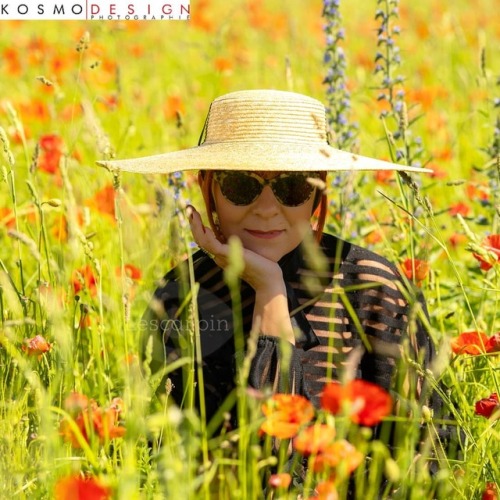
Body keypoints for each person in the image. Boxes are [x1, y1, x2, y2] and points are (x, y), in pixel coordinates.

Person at [98, 89, 436, 430]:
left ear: (320, 191)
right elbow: (252, 456)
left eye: (292, 187)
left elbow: (432, 450)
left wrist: (267, 288)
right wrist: (269, 287)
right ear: (207, 185)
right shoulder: (183, 296)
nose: (266, 209)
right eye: (241, 184)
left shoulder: (373, 287)